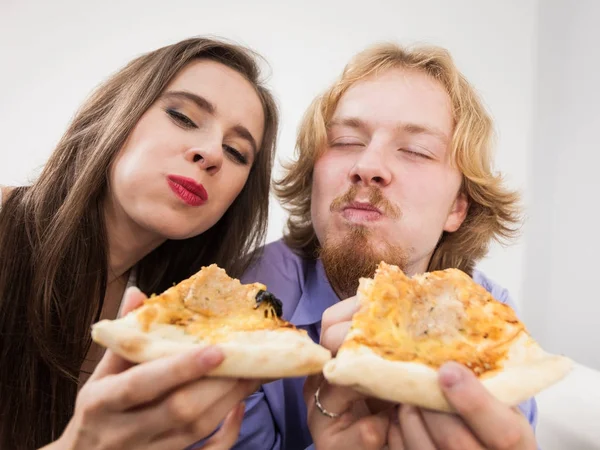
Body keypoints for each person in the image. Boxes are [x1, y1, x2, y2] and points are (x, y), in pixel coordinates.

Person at [233, 42, 538, 449]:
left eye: (415, 150)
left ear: (457, 208)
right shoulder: (242, 301)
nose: (367, 167)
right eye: (345, 141)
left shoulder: (491, 324)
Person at [0, 36, 279, 450]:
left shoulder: (181, 327)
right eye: (183, 117)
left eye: (236, 152)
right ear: (116, 112)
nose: (211, 154)